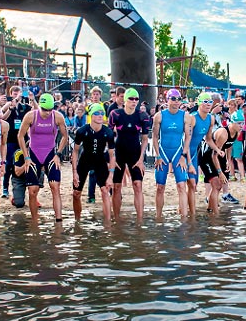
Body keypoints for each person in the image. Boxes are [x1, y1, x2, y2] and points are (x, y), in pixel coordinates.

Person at [16, 91, 69, 221]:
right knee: (32, 190)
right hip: (34, 154)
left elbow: (65, 136)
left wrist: (58, 154)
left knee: (55, 187)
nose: (48, 113)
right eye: (45, 110)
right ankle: (34, 222)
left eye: (50, 110)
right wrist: (27, 157)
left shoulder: (57, 117)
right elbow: (20, 136)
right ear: (39, 106)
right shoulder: (30, 116)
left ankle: (59, 220)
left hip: (50, 154)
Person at [107, 87, 149, 221]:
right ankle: (117, 219)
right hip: (119, 153)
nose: (134, 101)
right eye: (131, 98)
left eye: (136, 99)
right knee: (117, 186)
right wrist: (112, 157)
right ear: (125, 100)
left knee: (137, 185)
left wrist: (141, 159)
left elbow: (144, 139)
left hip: (135, 154)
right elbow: (109, 137)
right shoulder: (116, 114)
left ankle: (140, 221)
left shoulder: (142, 116)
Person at [71, 103, 117, 221]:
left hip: (99, 161)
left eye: (102, 113)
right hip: (84, 160)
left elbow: (112, 156)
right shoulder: (82, 131)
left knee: (105, 190)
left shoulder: (108, 132)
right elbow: (75, 152)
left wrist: (111, 176)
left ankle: (108, 224)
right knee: (76, 193)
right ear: (91, 115)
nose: (100, 116)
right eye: (97, 113)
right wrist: (74, 172)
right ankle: (77, 221)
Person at [151, 88, 191, 218]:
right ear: (167, 100)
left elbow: (188, 137)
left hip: (178, 153)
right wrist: (157, 156)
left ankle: (184, 219)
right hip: (163, 152)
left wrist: (183, 156)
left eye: (178, 99)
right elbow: (155, 137)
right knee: (160, 187)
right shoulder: (159, 116)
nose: (176, 102)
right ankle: (158, 217)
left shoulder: (185, 116)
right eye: (173, 99)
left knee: (181, 186)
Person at [183, 91, 219, 217]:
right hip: (185, 153)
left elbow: (208, 139)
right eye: (205, 101)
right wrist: (188, 161)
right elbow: (186, 141)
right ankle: (191, 215)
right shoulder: (193, 119)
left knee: (194, 185)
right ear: (199, 103)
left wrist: (217, 149)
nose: (208, 104)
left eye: (210, 102)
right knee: (190, 184)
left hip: (194, 154)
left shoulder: (211, 119)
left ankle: (189, 212)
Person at [0, 83, 32, 199]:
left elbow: (36, 111)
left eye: (19, 93)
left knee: (25, 161)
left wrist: (33, 100)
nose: (17, 95)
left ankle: (24, 189)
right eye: (15, 93)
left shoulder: (24, 107)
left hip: (23, 139)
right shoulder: (9, 105)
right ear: (11, 94)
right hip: (10, 139)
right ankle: (5, 188)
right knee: (9, 164)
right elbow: (1, 115)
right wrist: (11, 105)